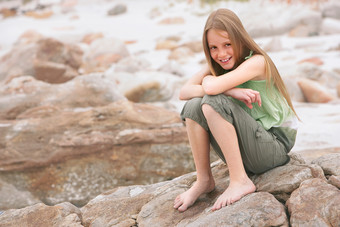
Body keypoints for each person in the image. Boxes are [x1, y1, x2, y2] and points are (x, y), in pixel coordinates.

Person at [173, 8, 298, 212]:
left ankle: (240, 180)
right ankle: (204, 180)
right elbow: (184, 92)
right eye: (213, 48)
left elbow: (211, 88)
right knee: (194, 106)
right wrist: (232, 91)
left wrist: (215, 83)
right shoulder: (219, 65)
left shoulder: (257, 61)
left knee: (212, 100)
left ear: (240, 39)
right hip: (251, 146)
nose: (221, 54)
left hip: (274, 146)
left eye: (227, 44)